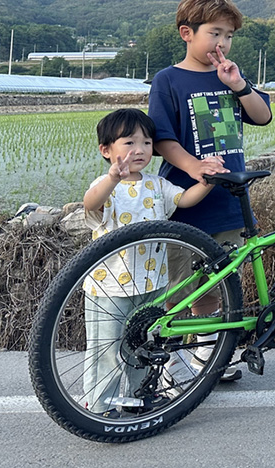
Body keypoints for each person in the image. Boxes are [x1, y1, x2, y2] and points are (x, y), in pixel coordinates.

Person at [149, 0, 273, 381]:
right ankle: (169, 363)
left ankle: (208, 358)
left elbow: (263, 116)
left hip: (229, 204)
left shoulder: (231, 77)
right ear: (187, 33)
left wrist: (239, 85)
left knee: (215, 287)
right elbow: (162, 138)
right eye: (214, 33)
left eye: (229, 35)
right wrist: (195, 167)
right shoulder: (168, 80)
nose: (223, 43)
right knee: (177, 288)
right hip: (185, 203)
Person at [80, 108, 218, 414]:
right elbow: (90, 204)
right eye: (129, 142)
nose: (140, 149)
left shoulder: (157, 184)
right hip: (109, 287)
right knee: (106, 348)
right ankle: (101, 405)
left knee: (143, 343)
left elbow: (184, 199)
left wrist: (207, 181)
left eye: (146, 142)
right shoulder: (105, 185)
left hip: (152, 283)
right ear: (106, 150)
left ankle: (139, 395)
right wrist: (112, 178)